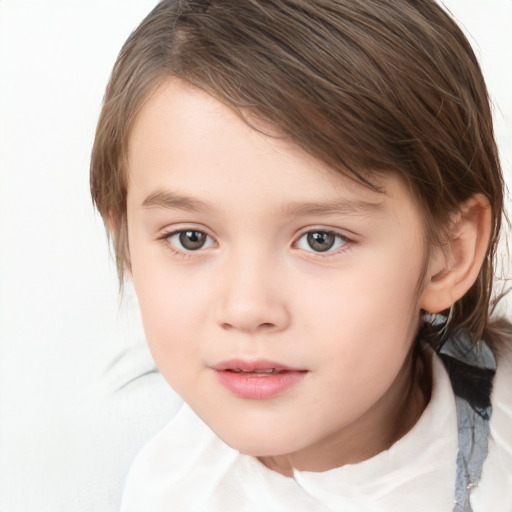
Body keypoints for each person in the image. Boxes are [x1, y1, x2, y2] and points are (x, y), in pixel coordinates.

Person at [90, 0, 512, 510]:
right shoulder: (162, 485)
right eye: (191, 238)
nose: (246, 309)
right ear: (127, 241)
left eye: (320, 239)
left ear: (449, 252)